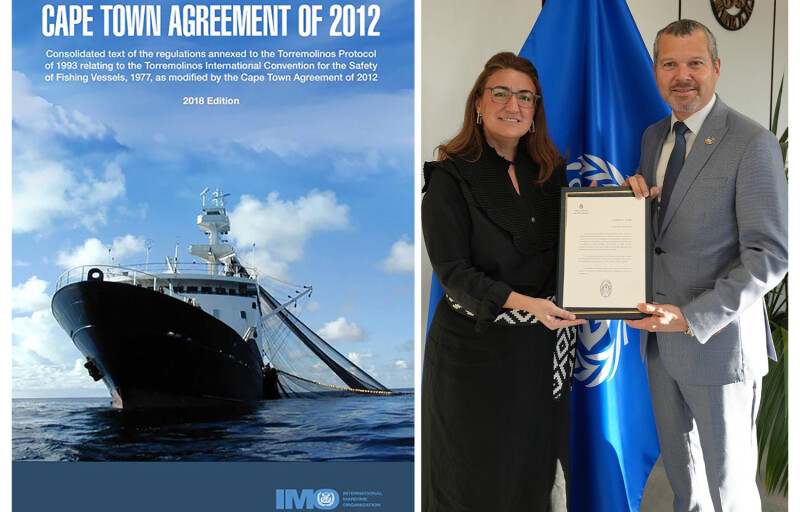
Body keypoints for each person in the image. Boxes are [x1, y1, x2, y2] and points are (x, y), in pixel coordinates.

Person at [624, 20, 788, 512]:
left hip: (719, 347)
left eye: (695, 62)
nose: (683, 76)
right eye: (670, 64)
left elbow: (770, 256)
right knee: (686, 490)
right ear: (655, 71)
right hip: (660, 347)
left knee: (728, 493)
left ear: (716, 68)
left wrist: (692, 318)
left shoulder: (751, 142)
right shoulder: (654, 138)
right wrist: (634, 206)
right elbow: (663, 238)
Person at [421, 52, 585, 512]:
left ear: (535, 112)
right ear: (478, 103)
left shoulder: (552, 177)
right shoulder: (448, 178)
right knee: (473, 486)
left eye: (525, 97)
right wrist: (528, 304)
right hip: (471, 359)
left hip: (537, 359)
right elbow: (453, 273)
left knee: (532, 481)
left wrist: (634, 202)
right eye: (501, 93)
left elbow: (585, 248)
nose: (513, 105)